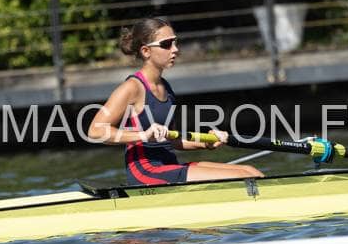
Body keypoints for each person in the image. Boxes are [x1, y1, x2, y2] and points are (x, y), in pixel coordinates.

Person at [87, 17, 264, 185]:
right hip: (145, 172)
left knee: (251, 171)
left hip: (168, 166)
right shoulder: (132, 87)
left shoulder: (166, 88)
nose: (175, 49)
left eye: (175, 42)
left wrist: (207, 142)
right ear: (146, 51)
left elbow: (172, 140)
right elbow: (95, 131)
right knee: (244, 177)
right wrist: (143, 135)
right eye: (166, 44)